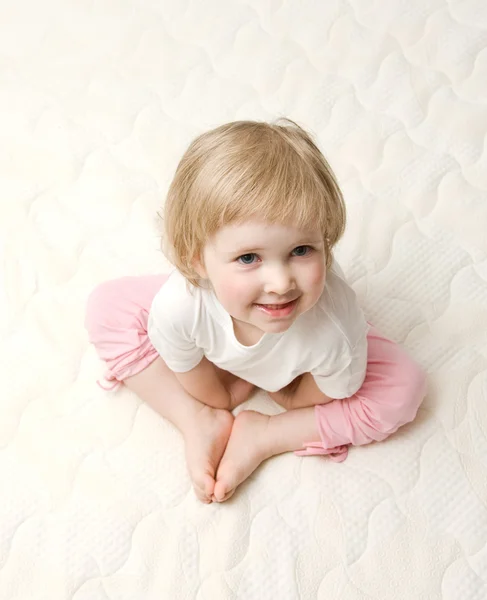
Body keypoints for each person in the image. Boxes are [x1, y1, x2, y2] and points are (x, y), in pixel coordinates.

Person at [85, 119, 426, 504]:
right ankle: (195, 420)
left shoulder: (334, 328)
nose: (281, 282)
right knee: (106, 307)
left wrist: (292, 397)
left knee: (405, 387)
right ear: (197, 261)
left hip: (313, 355)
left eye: (302, 250)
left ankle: (267, 434)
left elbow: (329, 390)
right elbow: (190, 370)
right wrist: (217, 398)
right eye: (249, 257)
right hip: (209, 319)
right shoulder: (181, 304)